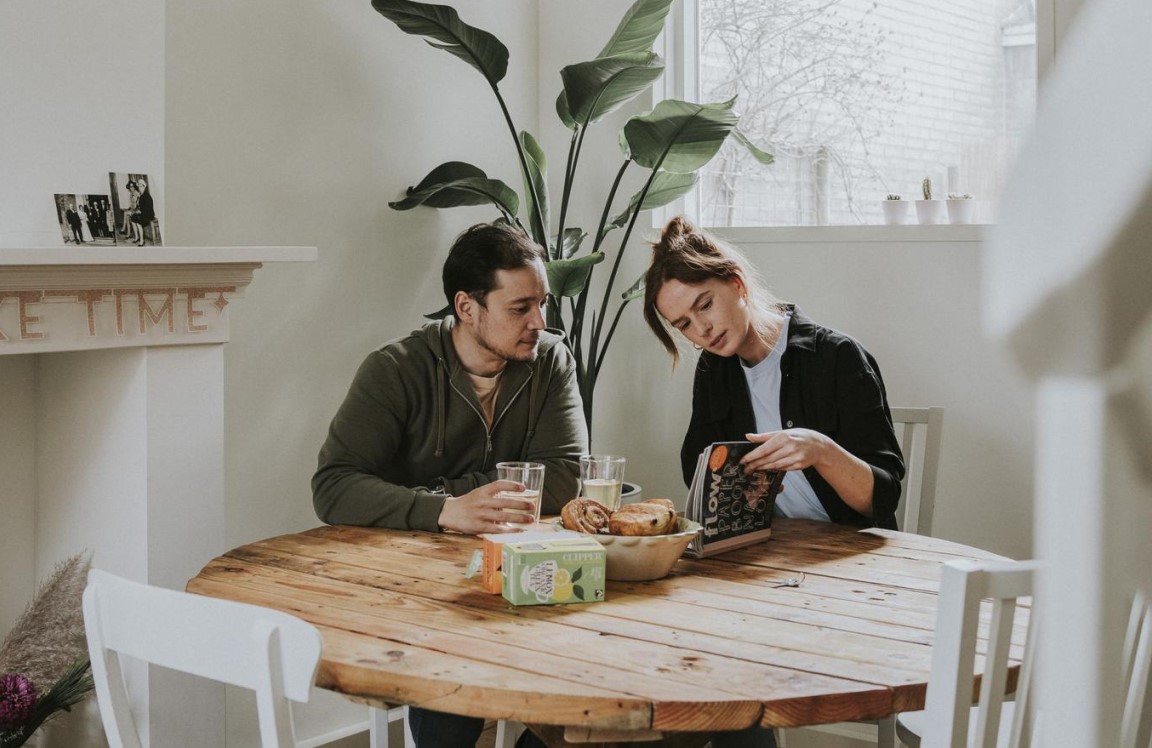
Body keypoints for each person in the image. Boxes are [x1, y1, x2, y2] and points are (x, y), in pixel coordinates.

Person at [313, 222, 587, 748]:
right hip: (420, 584)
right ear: (466, 307)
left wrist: (450, 494)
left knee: (578, 701)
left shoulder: (550, 360)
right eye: (520, 308)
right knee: (449, 692)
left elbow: (566, 475)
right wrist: (445, 510)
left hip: (523, 566)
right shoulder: (395, 370)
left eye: (542, 304)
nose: (540, 322)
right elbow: (334, 486)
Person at [642, 217, 906, 746]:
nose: (702, 331)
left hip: (845, 573)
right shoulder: (715, 370)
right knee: (674, 654)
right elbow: (699, 466)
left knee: (721, 666)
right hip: (761, 564)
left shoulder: (835, 356)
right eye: (684, 326)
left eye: (705, 305)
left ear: (736, 283)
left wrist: (820, 451)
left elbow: (881, 497)